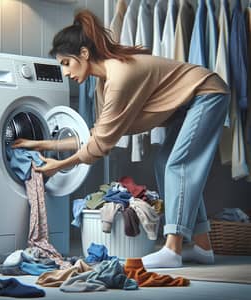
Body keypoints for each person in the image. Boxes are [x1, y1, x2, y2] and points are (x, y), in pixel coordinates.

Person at [12, 10, 230, 268]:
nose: (66, 72)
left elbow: (100, 146)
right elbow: (96, 136)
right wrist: (42, 144)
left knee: (179, 165)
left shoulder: (118, 78)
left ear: (83, 54)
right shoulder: (104, 82)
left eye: (66, 63)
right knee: (165, 163)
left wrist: (57, 165)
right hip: (188, 104)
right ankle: (203, 246)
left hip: (207, 93)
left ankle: (173, 248)